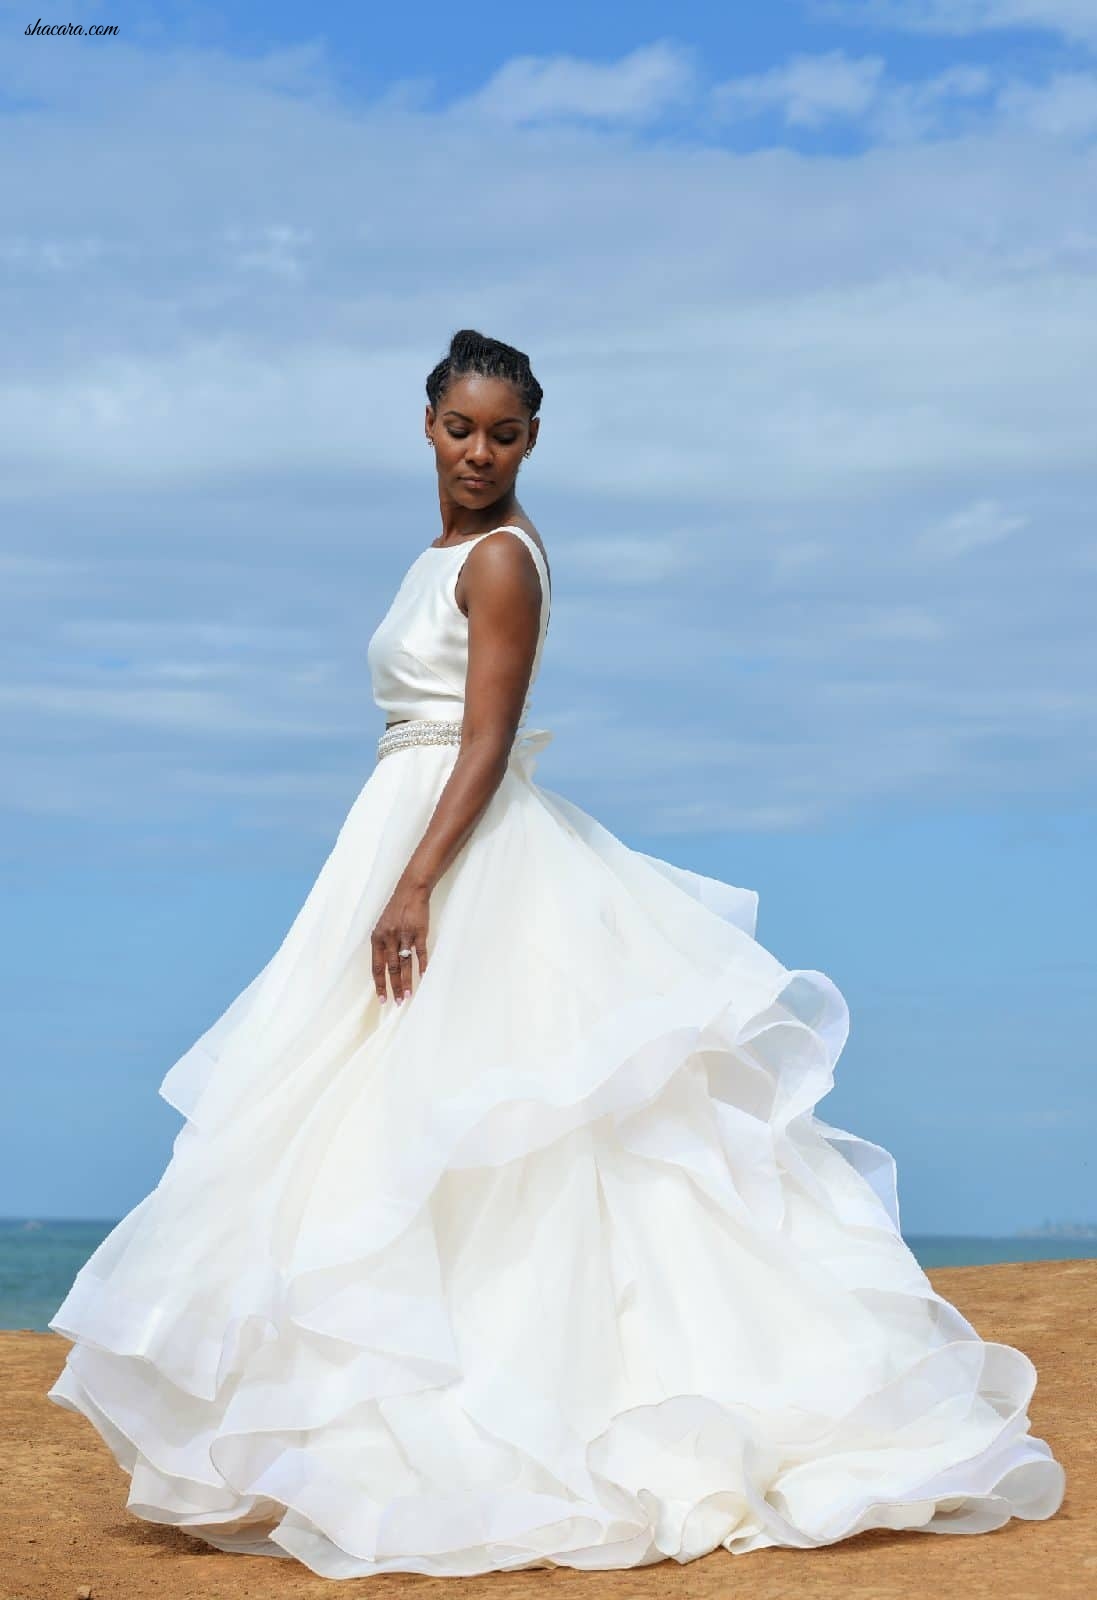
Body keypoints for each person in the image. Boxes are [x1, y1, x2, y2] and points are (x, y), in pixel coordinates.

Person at [47, 328, 1066, 1579]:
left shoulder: (503, 565)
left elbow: (487, 735)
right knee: (381, 1120)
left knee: (491, 1122)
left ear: (533, 438)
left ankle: (521, 1426)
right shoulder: (438, 557)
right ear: (426, 425)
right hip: (395, 830)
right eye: (461, 427)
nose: (480, 451)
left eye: (506, 433)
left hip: (460, 851)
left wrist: (417, 880)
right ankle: (365, 1432)